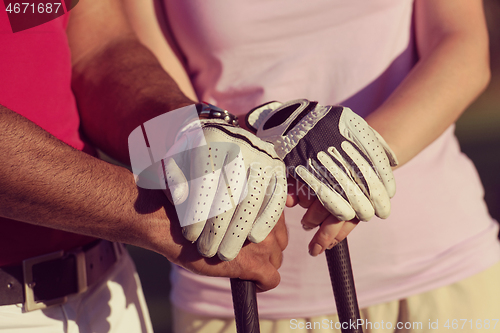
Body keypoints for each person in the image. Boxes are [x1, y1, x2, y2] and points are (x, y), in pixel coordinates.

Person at [149, 0, 500, 332]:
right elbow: (140, 88)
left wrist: (356, 156)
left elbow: (463, 47)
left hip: (441, 271)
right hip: (239, 288)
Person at [0, 0, 288, 331]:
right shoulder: (152, 220)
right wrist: (155, 217)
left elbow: (97, 50)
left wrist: (190, 137)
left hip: (107, 287)